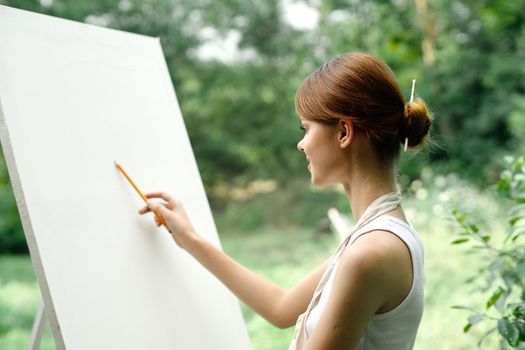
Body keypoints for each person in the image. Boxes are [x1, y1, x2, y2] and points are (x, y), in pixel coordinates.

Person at [138, 52, 431, 349]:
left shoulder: (371, 252)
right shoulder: (376, 236)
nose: (301, 144)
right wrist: (189, 239)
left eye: (306, 128)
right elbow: (281, 307)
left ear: (344, 132)